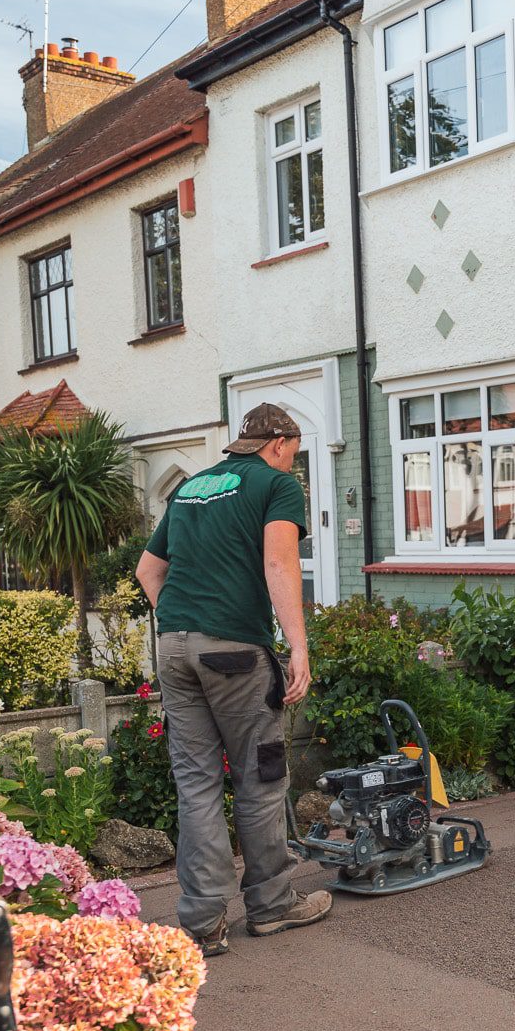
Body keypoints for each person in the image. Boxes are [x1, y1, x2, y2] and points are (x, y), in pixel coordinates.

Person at [135, 403, 331, 956]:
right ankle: (271, 905)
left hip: (173, 647)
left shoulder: (194, 485)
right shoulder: (276, 485)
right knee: (261, 775)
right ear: (278, 443)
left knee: (196, 783)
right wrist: (298, 646)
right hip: (236, 654)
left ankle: (203, 923)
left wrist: (183, 623)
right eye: (294, 450)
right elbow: (279, 565)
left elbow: (149, 572)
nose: (294, 460)